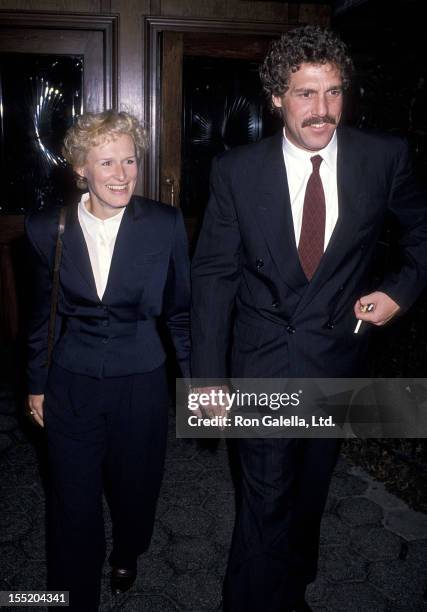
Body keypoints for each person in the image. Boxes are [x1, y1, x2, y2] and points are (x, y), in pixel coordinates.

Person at [190, 25, 427, 612]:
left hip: (336, 359)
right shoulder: (236, 172)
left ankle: (291, 589)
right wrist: (207, 381)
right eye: (305, 94)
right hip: (261, 361)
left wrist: (400, 290)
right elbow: (214, 277)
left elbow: (423, 233)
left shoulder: (383, 157)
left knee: (308, 495)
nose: (322, 111)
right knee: (264, 499)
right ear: (276, 97)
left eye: (334, 92)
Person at [26, 110, 190, 610]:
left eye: (130, 161)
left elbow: (181, 313)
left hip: (141, 384)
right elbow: (41, 316)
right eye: (107, 163)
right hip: (71, 383)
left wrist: (196, 381)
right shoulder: (43, 228)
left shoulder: (163, 224)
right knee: (71, 507)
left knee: (135, 494)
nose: (122, 175)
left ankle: (128, 549)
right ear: (81, 168)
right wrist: (36, 383)